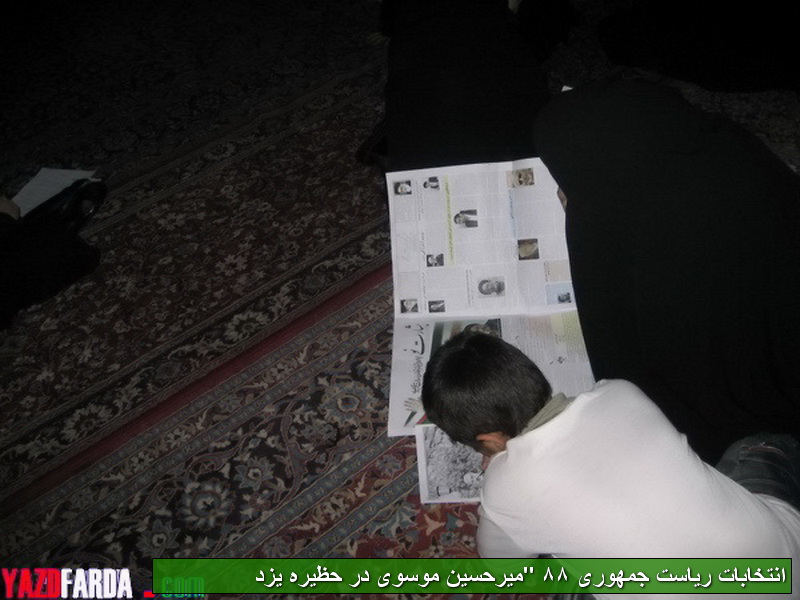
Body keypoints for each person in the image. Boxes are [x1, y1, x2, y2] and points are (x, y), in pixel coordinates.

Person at [421, 330, 800, 599]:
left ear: (488, 439)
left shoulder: (505, 491)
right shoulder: (620, 391)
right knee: (755, 446)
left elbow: (502, 569)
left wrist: (501, 468)